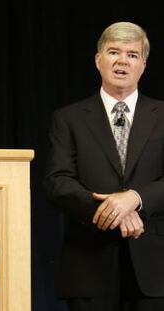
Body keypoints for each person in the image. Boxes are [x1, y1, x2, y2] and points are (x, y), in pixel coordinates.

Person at [44, 22, 164, 311]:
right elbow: (57, 181)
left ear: (143, 65)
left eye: (132, 55)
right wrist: (112, 212)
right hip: (89, 266)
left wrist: (135, 199)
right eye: (114, 52)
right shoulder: (68, 118)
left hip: (155, 269)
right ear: (99, 60)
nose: (123, 61)